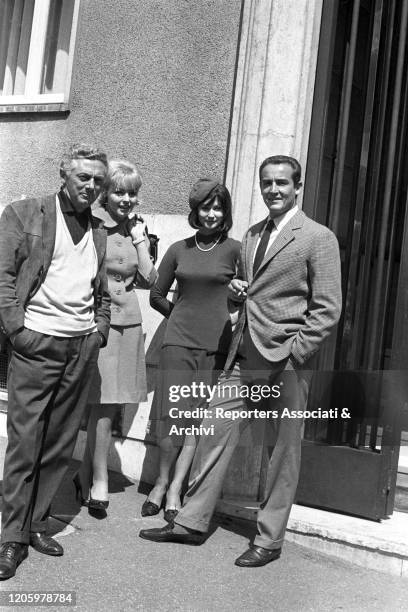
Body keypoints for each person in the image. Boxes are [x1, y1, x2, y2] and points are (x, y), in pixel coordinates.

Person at [139, 155, 342, 567]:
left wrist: (297, 351)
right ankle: (192, 522)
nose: (274, 190)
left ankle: (268, 540)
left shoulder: (318, 237)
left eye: (282, 183)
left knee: (281, 453)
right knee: (214, 430)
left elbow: (327, 308)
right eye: (267, 182)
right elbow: (246, 293)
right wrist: (235, 293)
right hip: (242, 355)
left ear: (297, 187)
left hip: (286, 360)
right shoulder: (251, 235)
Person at [0, 144, 110, 580]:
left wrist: (99, 328)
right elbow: (3, 276)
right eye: (83, 177)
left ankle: (38, 522)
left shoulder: (99, 230)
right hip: (36, 343)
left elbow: (101, 290)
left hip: (80, 346)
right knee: (25, 441)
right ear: (64, 174)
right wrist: (16, 330)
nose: (91, 186)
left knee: (60, 442)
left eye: (98, 180)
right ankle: (11, 537)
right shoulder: (25, 214)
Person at [142, 178, 240, 522]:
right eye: (205, 207)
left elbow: (248, 293)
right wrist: (180, 316)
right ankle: (160, 481)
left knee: (195, 421)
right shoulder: (178, 249)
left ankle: (175, 489)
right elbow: (156, 294)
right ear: (195, 211)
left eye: (218, 207)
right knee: (170, 419)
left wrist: (235, 300)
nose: (212, 214)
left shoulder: (236, 250)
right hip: (178, 344)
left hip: (215, 348)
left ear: (225, 212)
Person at [74, 160, 158, 512]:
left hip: (130, 323)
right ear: (105, 194)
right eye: (120, 191)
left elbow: (150, 279)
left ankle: (87, 473)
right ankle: (100, 478)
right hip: (100, 321)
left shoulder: (136, 229)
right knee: (101, 402)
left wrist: (140, 240)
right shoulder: (94, 227)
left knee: (109, 403)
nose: (126, 198)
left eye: (133, 192)